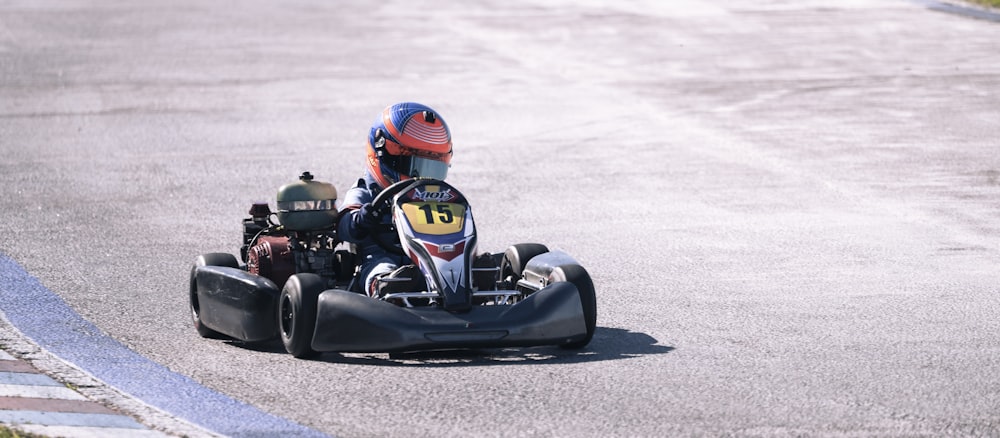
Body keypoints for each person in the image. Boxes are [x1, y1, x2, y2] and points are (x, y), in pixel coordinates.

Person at [337, 102, 453, 297]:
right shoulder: (365, 193)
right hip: (381, 252)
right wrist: (362, 219)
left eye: (433, 170)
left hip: (427, 254)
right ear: (384, 156)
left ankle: (472, 275)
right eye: (416, 168)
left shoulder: (434, 196)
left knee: (450, 261)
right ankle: (386, 287)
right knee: (380, 266)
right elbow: (343, 226)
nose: (423, 179)